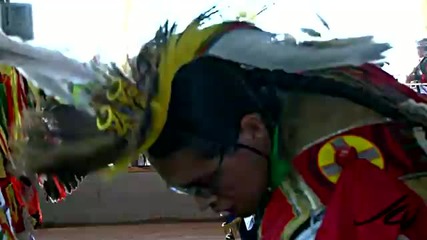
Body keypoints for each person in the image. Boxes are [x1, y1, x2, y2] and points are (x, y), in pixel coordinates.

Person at [1, 8, 427, 240]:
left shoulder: (320, 208)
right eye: (185, 190)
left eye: (205, 182)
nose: (205, 203)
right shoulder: (294, 100)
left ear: (252, 131)